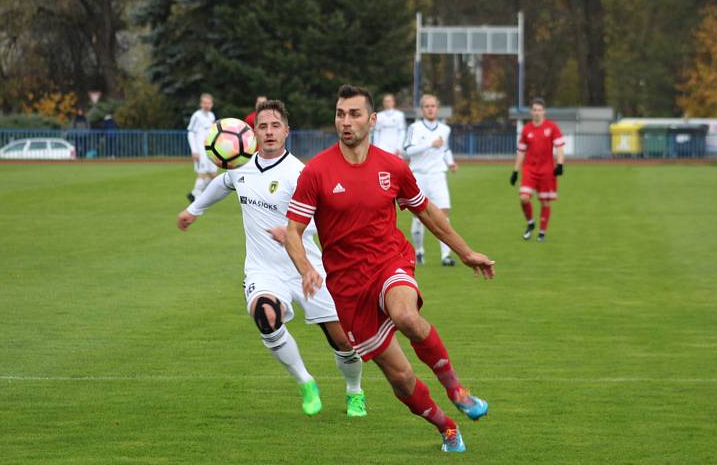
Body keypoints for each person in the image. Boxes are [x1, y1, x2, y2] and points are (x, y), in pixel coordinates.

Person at [285, 84, 494, 453]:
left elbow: (427, 211)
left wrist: (464, 252)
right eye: (340, 114)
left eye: (354, 114)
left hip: (389, 262)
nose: (345, 122)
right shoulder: (316, 171)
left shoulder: (393, 167)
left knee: (406, 317)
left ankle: (457, 390)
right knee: (401, 378)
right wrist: (305, 268)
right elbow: (293, 232)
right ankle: (445, 426)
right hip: (349, 289)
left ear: (372, 120)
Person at [177, 100, 367, 418]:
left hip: (306, 267)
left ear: (287, 132)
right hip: (263, 270)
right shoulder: (240, 168)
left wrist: (292, 231)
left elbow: (325, 220)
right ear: (253, 132)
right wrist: (193, 210)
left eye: (275, 126)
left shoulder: (301, 174)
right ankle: (306, 382)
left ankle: (354, 390)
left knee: (343, 341)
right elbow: (220, 184)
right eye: (263, 126)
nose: (269, 132)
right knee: (265, 316)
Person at [403, 94, 457, 266]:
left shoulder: (444, 129)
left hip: (438, 175)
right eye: (427, 106)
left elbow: (445, 149)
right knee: (419, 217)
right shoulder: (415, 128)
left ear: (437, 108)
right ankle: (419, 251)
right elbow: (408, 150)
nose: (430, 109)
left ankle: (445, 255)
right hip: (418, 175)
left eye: (433, 106)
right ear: (422, 109)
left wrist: (451, 163)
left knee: (443, 214)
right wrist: (429, 144)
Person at [509, 97, 565, 242]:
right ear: (531, 111)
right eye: (534, 110)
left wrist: (560, 164)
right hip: (529, 170)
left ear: (544, 111)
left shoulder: (552, 127)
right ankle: (530, 223)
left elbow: (559, 146)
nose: (537, 113)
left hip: (547, 170)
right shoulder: (526, 129)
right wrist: (515, 171)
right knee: (523, 198)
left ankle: (542, 232)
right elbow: (521, 151)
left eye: (539, 110)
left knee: (545, 202)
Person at [186, 93, 218, 202]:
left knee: (214, 176)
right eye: (204, 103)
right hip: (200, 150)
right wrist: (194, 150)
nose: (206, 105)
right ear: (201, 104)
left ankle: (194, 193)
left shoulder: (212, 115)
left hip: (210, 150)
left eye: (208, 103)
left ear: (212, 104)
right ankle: (197, 198)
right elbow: (190, 133)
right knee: (202, 173)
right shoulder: (196, 116)